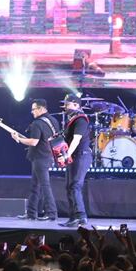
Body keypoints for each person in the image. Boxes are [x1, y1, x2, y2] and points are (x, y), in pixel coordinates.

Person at [11, 98, 59, 221]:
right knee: (35, 186)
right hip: (48, 156)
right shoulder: (53, 120)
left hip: (40, 157)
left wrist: (19, 139)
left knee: (44, 186)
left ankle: (51, 213)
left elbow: (33, 142)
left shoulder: (37, 123)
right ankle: (31, 213)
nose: (32, 112)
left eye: (34, 109)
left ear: (41, 109)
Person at [59, 93, 90, 227]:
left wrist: (66, 155)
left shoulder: (80, 120)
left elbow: (76, 139)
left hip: (81, 156)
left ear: (76, 105)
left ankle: (80, 217)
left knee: (75, 186)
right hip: (74, 156)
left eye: (67, 104)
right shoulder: (72, 120)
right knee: (69, 187)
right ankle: (74, 217)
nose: (65, 107)